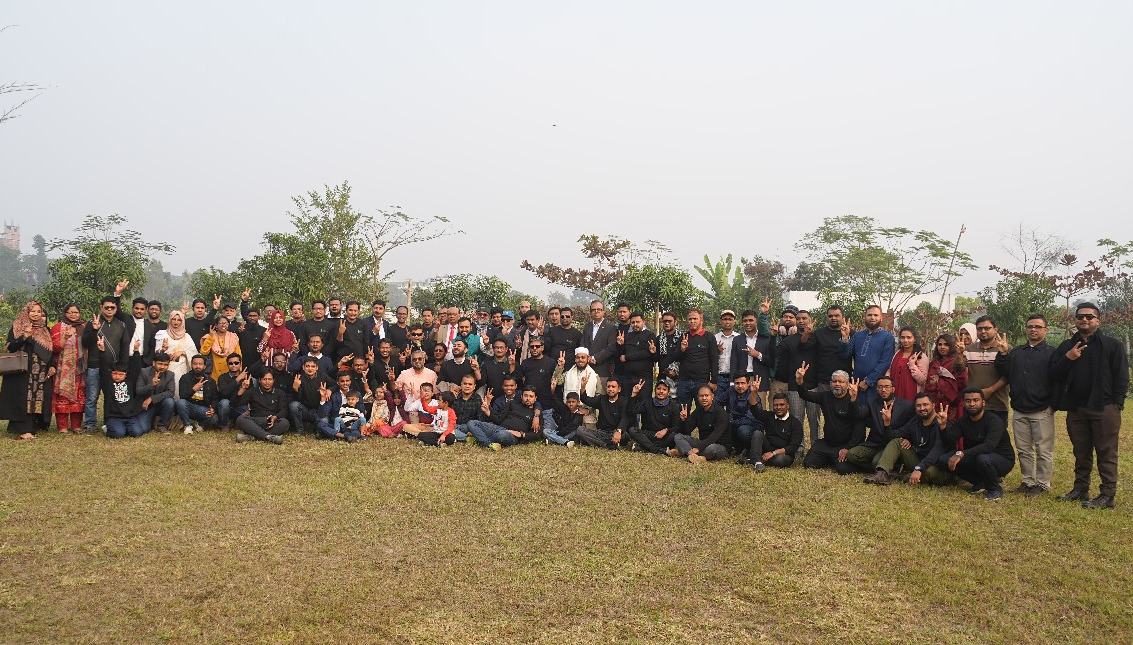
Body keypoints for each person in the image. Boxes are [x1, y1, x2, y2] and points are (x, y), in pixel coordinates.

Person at [1050, 302, 1129, 509]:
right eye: (1080, 316)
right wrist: (1068, 358)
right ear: (1075, 320)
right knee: (1081, 452)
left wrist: (1117, 405)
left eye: (1089, 316)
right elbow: (1053, 374)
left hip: (1105, 408)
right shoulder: (1066, 346)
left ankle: (1107, 496)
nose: (1084, 319)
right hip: (1076, 409)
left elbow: (1121, 377)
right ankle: (1080, 489)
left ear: (1098, 321)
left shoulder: (1112, 345)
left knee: (1106, 453)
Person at [994, 314, 1057, 497]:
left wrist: (1053, 405)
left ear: (1046, 330)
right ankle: (1027, 481)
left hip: (1042, 409)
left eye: (1037, 327)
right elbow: (1004, 371)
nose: (1033, 330)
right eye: (1030, 326)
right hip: (1020, 409)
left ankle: (1042, 483)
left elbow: (1059, 380)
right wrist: (1003, 354)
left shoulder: (1052, 353)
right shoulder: (1017, 352)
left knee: (1043, 450)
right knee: (1023, 449)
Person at [939, 387, 1015, 502]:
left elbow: (989, 446)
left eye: (976, 400)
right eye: (968, 401)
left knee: (983, 458)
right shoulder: (963, 421)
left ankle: (995, 489)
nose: (972, 404)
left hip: (1002, 459)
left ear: (983, 402)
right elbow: (949, 440)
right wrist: (943, 426)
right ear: (964, 403)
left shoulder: (994, 420)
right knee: (943, 459)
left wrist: (961, 454)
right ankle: (980, 483)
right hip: (976, 457)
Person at [862, 393, 954, 486]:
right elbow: (892, 437)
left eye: (925, 404)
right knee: (897, 442)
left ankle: (904, 476)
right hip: (920, 460)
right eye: (918, 405)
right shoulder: (916, 421)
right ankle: (882, 474)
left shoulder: (942, 424)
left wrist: (919, 468)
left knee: (929, 472)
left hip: (937, 466)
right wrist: (887, 422)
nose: (922, 408)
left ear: (933, 405)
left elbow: (937, 451)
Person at [1, 301, 56, 439]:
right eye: (33, 311)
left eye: (39, 311)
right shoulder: (18, 325)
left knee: (35, 398)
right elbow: (11, 346)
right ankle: (23, 430)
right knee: (23, 398)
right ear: (27, 312)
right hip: (22, 370)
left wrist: (52, 365)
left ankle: (32, 427)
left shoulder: (44, 329)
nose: (36, 314)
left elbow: (49, 350)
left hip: (40, 370)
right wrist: (24, 337)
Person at [80, 286, 131, 432]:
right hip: (95, 366)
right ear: (101, 307)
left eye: (112, 307)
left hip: (113, 368)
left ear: (116, 309)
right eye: (106, 307)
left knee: (111, 397)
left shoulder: (121, 325)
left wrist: (122, 366)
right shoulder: (93, 322)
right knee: (92, 397)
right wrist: (94, 329)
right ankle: (90, 424)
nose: (109, 310)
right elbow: (85, 343)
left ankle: (108, 422)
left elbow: (124, 347)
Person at [796, 365, 863, 474]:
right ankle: (831, 458)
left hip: (845, 445)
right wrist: (800, 380)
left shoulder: (853, 401)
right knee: (809, 463)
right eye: (834, 381)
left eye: (841, 382)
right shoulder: (825, 396)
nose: (837, 384)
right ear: (830, 384)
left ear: (847, 384)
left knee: (842, 469)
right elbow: (805, 395)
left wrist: (848, 448)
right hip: (828, 443)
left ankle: (835, 459)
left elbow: (859, 427)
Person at [843, 376, 915, 473]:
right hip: (874, 444)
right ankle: (886, 468)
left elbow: (912, 426)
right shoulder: (873, 402)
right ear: (877, 389)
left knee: (876, 462)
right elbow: (859, 414)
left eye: (887, 387)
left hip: (891, 446)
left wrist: (908, 439)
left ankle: (881, 465)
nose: (883, 390)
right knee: (851, 455)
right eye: (880, 387)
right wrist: (853, 398)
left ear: (893, 389)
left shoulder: (906, 406)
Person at [839, 305, 895, 404]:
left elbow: (885, 363)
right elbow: (844, 355)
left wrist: (868, 381)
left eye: (876, 315)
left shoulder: (888, 337)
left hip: (876, 386)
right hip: (857, 385)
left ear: (881, 317)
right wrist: (845, 338)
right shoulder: (857, 336)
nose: (872, 318)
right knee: (857, 411)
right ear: (865, 317)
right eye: (869, 315)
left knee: (874, 412)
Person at [739, 386, 803, 472]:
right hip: (767, 448)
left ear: (788, 406)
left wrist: (773, 453)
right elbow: (755, 410)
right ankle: (757, 462)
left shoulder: (795, 423)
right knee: (757, 433)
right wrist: (753, 393)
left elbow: (793, 447)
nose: (778, 407)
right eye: (776, 405)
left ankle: (753, 459)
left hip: (783, 454)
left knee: (781, 460)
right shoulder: (769, 416)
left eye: (782, 405)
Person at [964, 315, 1010, 424]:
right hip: (973, 405)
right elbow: (958, 368)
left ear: (995, 329)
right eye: (979, 329)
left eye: (987, 328)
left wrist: (990, 390)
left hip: (997, 405)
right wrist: (959, 354)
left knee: (997, 434)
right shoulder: (969, 349)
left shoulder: (1006, 348)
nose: (983, 331)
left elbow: (1009, 375)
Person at [667, 385, 730, 464]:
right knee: (678, 437)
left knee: (711, 449)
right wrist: (683, 420)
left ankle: (684, 452)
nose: (704, 398)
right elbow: (686, 430)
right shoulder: (698, 411)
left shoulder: (721, 413)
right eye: (701, 396)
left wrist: (698, 448)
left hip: (720, 446)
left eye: (706, 395)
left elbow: (715, 435)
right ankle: (692, 455)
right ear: (698, 398)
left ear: (712, 397)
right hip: (703, 443)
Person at [669, 308, 719, 406]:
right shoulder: (683, 337)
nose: (692, 321)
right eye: (690, 319)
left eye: (695, 319)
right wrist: (682, 349)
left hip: (702, 382)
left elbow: (714, 360)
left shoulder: (709, 337)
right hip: (684, 381)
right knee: (683, 411)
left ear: (701, 320)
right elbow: (675, 358)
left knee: (703, 411)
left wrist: (714, 381)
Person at [467, 385, 540, 450]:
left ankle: (480, 438)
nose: (528, 398)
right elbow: (498, 419)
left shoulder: (536, 414)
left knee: (501, 435)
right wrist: (487, 411)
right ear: (521, 396)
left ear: (535, 398)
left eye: (531, 396)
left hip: (512, 436)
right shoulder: (512, 404)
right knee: (472, 423)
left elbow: (538, 434)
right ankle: (488, 444)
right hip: (499, 428)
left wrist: (521, 434)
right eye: (525, 396)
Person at [49, 303, 86, 433]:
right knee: (62, 397)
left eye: (76, 312)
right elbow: (54, 348)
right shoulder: (58, 327)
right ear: (65, 313)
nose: (73, 315)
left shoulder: (84, 327)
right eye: (70, 312)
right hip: (63, 368)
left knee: (78, 397)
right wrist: (64, 338)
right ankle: (62, 427)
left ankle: (76, 426)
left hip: (80, 369)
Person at [577, 375, 637, 450]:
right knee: (580, 430)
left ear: (619, 389)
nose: (610, 389)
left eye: (613, 387)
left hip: (618, 432)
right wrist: (583, 386)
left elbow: (625, 418)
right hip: (602, 433)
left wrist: (618, 431)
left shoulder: (624, 401)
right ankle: (607, 445)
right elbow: (586, 400)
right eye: (608, 387)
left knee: (625, 436)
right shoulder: (601, 399)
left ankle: (597, 442)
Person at [232, 370, 289, 444]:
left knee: (285, 423)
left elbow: (284, 410)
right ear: (259, 380)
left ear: (273, 380)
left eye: (270, 379)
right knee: (240, 419)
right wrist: (243, 388)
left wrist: (275, 417)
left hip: (271, 422)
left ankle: (252, 437)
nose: (267, 382)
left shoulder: (280, 393)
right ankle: (268, 436)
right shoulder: (252, 392)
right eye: (264, 379)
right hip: (255, 421)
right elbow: (235, 404)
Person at [101, 357, 147, 438]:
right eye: (115, 374)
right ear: (111, 373)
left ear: (126, 375)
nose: (117, 376)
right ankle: (107, 428)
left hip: (129, 416)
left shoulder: (130, 382)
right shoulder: (108, 383)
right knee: (118, 434)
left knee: (138, 432)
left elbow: (136, 369)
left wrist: (136, 353)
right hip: (114, 416)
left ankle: (123, 428)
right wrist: (102, 353)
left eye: (121, 374)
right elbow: (103, 367)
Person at [925, 334, 967, 420]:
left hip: (951, 404)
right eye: (940, 344)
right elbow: (928, 382)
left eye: (946, 344)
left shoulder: (956, 362)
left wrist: (939, 382)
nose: (942, 347)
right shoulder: (934, 362)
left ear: (952, 346)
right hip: (934, 403)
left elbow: (960, 383)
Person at [175, 355, 221, 434]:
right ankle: (187, 425)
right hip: (189, 406)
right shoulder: (185, 378)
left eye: (200, 364)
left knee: (215, 418)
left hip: (203, 409)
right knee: (180, 403)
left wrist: (213, 408)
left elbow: (215, 398)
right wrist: (194, 389)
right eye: (195, 364)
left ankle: (199, 424)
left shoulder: (210, 381)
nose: (197, 366)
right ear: (191, 365)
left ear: (204, 366)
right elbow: (182, 395)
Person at [159, 310, 199, 397]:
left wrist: (182, 352)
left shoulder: (186, 336)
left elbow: (194, 353)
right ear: (170, 320)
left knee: (179, 391)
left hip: (181, 369)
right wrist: (163, 350)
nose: (176, 322)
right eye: (174, 319)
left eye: (179, 320)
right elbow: (157, 354)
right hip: (165, 368)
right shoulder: (163, 334)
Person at [581, 300, 618, 391]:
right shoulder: (587, 327)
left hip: (602, 370)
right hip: (587, 370)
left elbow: (611, 348)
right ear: (590, 312)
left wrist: (595, 358)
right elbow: (583, 344)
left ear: (603, 311)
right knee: (587, 397)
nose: (596, 311)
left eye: (599, 309)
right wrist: (586, 357)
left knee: (601, 397)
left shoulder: (611, 328)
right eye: (593, 310)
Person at [136, 352, 176, 433]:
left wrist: (152, 398)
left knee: (170, 402)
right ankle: (150, 421)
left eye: (165, 365)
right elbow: (139, 391)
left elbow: (170, 392)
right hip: (145, 406)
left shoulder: (170, 375)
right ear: (154, 363)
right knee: (143, 429)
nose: (162, 367)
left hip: (160, 404)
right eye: (160, 364)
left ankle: (162, 425)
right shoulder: (144, 372)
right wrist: (151, 385)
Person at [886, 326, 929, 402]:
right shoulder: (897, 353)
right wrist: (887, 381)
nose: (905, 340)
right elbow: (890, 370)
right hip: (894, 393)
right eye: (903, 337)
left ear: (915, 339)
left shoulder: (921, 357)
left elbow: (922, 380)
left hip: (911, 395)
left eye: (909, 337)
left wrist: (912, 365)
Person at [199, 316, 240, 381]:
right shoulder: (210, 336)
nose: (224, 325)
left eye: (226, 323)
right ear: (216, 325)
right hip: (215, 371)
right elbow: (204, 352)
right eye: (221, 323)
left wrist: (238, 371)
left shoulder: (233, 337)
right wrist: (210, 337)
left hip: (230, 372)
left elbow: (238, 356)